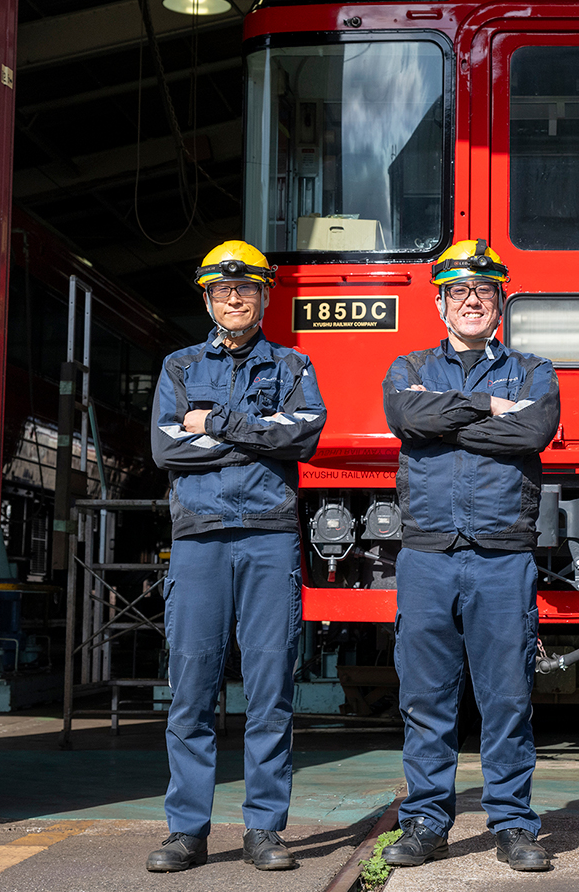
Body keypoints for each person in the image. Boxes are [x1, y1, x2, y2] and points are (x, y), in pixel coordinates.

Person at [379, 240, 560, 873]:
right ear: (440, 304)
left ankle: (512, 820)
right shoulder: (407, 365)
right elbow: (405, 414)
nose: (473, 300)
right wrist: (485, 407)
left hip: (501, 554)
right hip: (427, 553)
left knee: (506, 693)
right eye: (460, 292)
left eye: (484, 292)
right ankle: (427, 817)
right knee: (426, 695)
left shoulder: (534, 372)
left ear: (500, 303)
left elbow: (533, 431)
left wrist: (444, 420)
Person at [146, 241, 326, 873]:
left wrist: (215, 425)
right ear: (206, 297)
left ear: (265, 296)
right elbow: (167, 451)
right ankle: (186, 831)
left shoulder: (293, 365)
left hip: (268, 534)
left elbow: (302, 434)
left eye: (246, 288)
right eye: (222, 290)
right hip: (199, 537)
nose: (234, 297)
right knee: (191, 687)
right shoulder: (177, 366)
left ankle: (264, 831)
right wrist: (255, 435)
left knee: (270, 687)